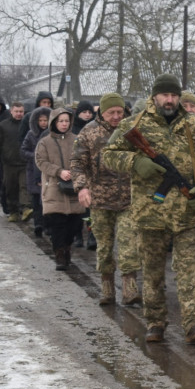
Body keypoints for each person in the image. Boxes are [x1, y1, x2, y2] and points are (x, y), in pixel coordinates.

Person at [103, 74, 195, 344]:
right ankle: (155, 321)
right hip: (150, 211)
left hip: (187, 211)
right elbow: (108, 154)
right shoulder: (134, 124)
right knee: (153, 269)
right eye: (165, 95)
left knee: (188, 268)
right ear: (154, 96)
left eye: (174, 95)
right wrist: (135, 162)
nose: (170, 100)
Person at [71, 92, 141, 305]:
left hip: (129, 199)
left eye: (120, 112)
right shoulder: (89, 132)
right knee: (104, 246)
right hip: (100, 200)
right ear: (102, 111)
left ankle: (130, 289)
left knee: (129, 244)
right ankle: (107, 287)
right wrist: (82, 187)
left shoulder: (132, 130)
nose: (116, 116)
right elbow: (77, 163)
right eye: (111, 112)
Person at [35, 107, 86, 270]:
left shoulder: (78, 140)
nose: (64, 124)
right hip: (54, 188)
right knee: (58, 224)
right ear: (54, 122)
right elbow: (41, 161)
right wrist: (58, 171)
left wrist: (77, 172)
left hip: (75, 187)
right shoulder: (45, 142)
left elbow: (85, 158)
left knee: (74, 224)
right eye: (60, 121)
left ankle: (67, 247)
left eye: (66, 121)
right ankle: (59, 254)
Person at [0, 100, 31, 222]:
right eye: (17, 111)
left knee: (24, 186)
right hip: (8, 163)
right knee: (10, 187)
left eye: (21, 112)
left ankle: (25, 208)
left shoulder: (28, 125)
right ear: (11, 111)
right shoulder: (3, 126)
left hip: (24, 162)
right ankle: (13, 211)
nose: (19, 114)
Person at [21, 106, 51, 238]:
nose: (43, 123)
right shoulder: (31, 134)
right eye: (41, 120)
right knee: (36, 199)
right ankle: (38, 224)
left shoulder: (52, 135)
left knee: (47, 199)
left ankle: (47, 225)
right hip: (33, 170)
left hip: (48, 170)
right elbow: (23, 150)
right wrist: (35, 155)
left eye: (46, 120)